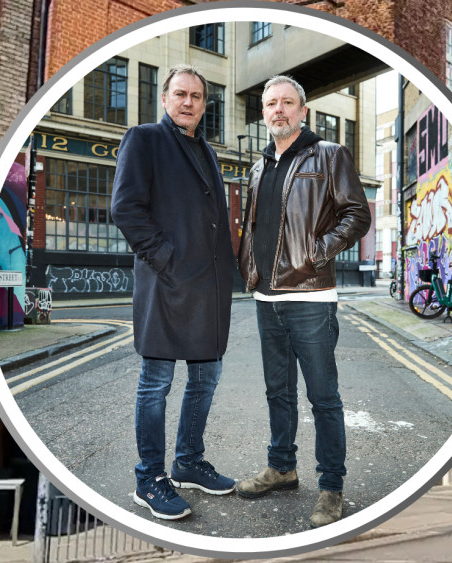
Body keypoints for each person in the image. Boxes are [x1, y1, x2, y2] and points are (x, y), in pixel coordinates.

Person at [236, 75, 370, 527]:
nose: (279, 110)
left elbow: (357, 214)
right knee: (278, 391)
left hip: (311, 296)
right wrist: (249, 271)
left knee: (323, 397)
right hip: (265, 296)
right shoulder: (258, 168)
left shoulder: (329, 155)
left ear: (303, 110)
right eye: (271, 103)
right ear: (263, 113)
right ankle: (282, 467)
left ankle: (331, 486)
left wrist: (316, 253)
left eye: (287, 103)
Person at [111, 64, 236, 521]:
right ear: (165, 99)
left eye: (197, 96)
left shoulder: (206, 150)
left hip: (208, 289)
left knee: (206, 379)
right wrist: (165, 259)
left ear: (204, 105)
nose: (188, 102)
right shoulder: (144, 139)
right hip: (166, 285)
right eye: (180, 94)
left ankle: (187, 462)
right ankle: (150, 478)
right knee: (156, 384)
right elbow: (126, 209)